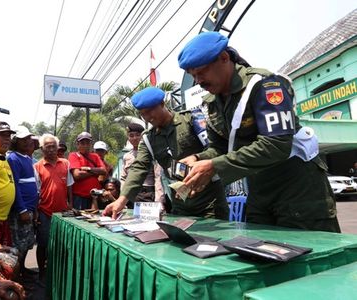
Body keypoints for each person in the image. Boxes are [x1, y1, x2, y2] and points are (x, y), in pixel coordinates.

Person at [177, 31, 340, 232]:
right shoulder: (212, 103)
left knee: (314, 258)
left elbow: (276, 145)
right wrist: (197, 158)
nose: (198, 81)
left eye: (201, 72)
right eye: (193, 76)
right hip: (259, 191)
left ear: (224, 58)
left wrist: (213, 166)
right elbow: (220, 149)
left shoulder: (265, 85)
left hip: (297, 189)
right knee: (261, 254)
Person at [103, 87, 229, 220]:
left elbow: (217, 149)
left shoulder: (192, 120)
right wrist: (122, 200)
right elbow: (139, 168)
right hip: (179, 206)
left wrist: (197, 157)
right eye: (143, 114)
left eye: (150, 111)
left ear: (162, 104)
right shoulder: (149, 138)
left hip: (209, 205)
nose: (147, 117)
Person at [34, 134, 74, 283]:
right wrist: (36, 212)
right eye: (47, 146)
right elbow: (36, 191)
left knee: (61, 244)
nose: (51, 149)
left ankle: (57, 271)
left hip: (63, 212)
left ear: (57, 148)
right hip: (45, 212)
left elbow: (69, 185)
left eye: (53, 146)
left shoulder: (65, 163)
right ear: (42, 149)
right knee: (43, 244)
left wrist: (70, 203)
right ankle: (42, 273)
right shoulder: (37, 166)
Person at [6, 125, 40, 278]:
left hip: (30, 209)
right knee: (18, 245)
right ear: (16, 141)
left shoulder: (27, 158)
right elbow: (15, 186)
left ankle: (23, 270)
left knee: (27, 243)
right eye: (23, 139)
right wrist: (22, 209)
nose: (27, 142)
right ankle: (16, 278)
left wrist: (34, 209)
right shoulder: (13, 158)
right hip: (21, 211)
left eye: (28, 139)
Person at [120, 122, 165, 206]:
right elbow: (123, 178)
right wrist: (122, 198)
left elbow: (158, 177)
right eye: (131, 135)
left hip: (148, 194)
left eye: (137, 135)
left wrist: (159, 202)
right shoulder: (126, 156)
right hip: (130, 195)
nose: (134, 138)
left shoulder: (152, 153)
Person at [68, 132, 107, 209]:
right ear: (77, 144)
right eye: (82, 143)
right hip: (80, 198)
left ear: (90, 145)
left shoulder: (95, 156)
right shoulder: (73, 155)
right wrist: (95, 172)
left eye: (87, 143)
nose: (85, 146)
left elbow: (103, 170)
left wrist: (88, 169)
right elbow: (77, 175)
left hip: (95, 196)